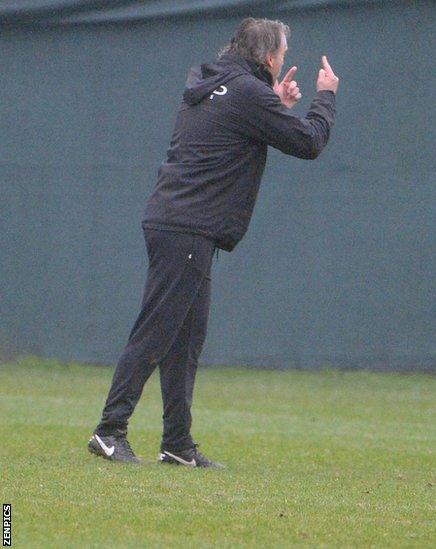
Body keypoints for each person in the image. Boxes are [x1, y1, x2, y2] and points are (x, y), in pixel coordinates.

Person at [86, 17, 339, 468]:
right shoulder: (246, 92)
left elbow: (238, 125)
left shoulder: (218, 84)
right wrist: (326, 96)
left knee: (184, 342)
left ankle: (177, 445)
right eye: (281, 54)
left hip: (178, 223)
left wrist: (275, 103)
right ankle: (109, 430)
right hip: (187, 227)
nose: (283, 60)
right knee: (156, 332)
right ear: (268, 58)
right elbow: (309, 141)